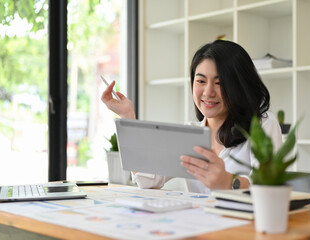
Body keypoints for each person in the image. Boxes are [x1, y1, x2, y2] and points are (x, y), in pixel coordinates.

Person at [101, 40, 282, 194]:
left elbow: (269, 188)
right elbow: (148, 180)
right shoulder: (191, 132)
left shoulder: (264, 125)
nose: (208, 92)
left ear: (239, 85)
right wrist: (127, 116)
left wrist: (229, 182)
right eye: (201, 81)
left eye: (219, 83)